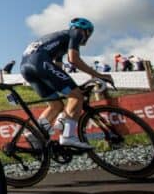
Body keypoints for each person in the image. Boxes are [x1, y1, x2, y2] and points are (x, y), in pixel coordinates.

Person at [20, 18, 114, 149]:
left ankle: (34, 133)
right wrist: (98, 75)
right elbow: (73, 59)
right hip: (39, 62)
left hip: (26, 67)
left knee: (56, 105)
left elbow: (58, 68)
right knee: (76, 97)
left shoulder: (60, 40)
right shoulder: (76, 33)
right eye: (89, 33)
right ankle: (68, 136)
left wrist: (72, 87)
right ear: (86, 31)